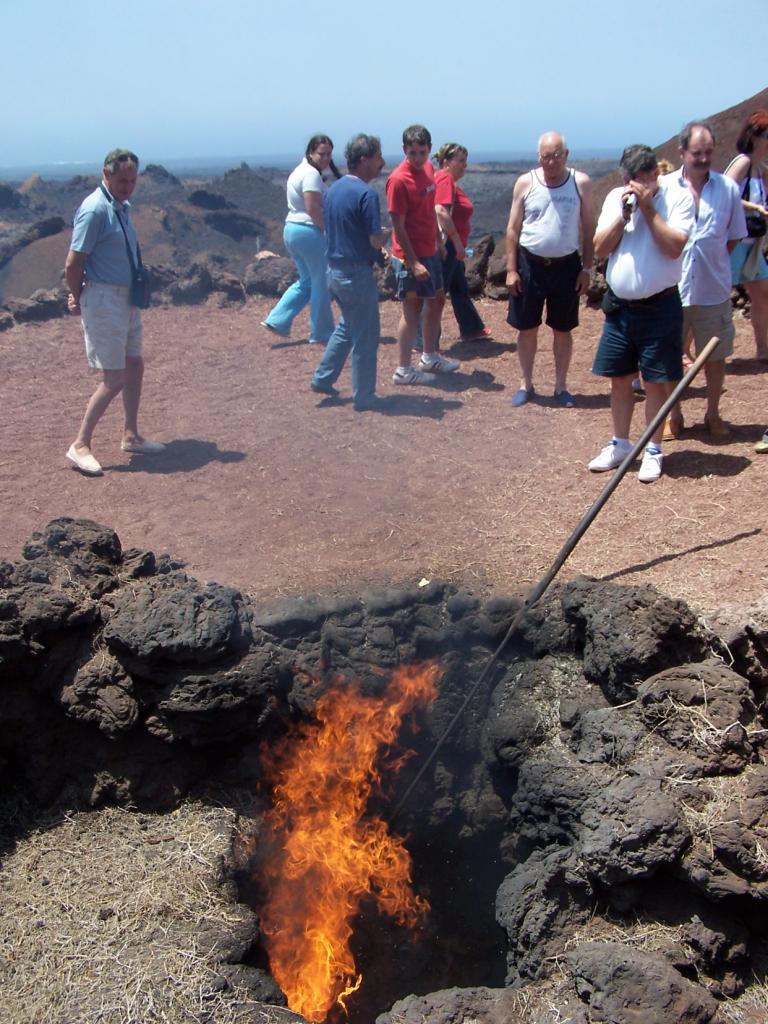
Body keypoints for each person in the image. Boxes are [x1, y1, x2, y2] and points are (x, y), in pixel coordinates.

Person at [588, 144, 695, 483]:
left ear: (655, 174)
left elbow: (674, 246)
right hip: (621, 307)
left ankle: (653, 449)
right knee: (619, 378)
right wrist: (624, 215)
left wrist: (649, 211)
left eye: (645, 177)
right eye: (632, 178)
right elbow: (600, 247)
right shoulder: (615, 200)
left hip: (659, 305)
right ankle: (620, 443)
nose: (639, 184)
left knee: (655, 381)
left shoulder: (678, 198)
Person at [64, 148, 164, 476]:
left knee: (135, 364)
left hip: (126, 298)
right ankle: (80, 444)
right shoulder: (95, 210)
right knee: (115, 376)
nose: (128, 186)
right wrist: (76, 294)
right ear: (106, 174)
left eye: (133, 180)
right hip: (104, 298)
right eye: (122, 180)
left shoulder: (120, 207)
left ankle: (131, 435)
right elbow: (74, 261)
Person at [663, 122, 746, 440]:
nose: (703, 159)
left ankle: (713, 413)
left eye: (709, 152)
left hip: (713, 288)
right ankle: (674, 415)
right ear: (682, 152)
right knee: (671, 355)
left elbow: (734, 237)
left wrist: (712, 258)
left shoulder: (727, 189)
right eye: (697, 153)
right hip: (673, 287)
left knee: (715, 356)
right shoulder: (666, 188)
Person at [505, 131, 594, 407]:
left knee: (562, 328)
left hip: (566, 265)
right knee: (527, 327)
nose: (551, 162)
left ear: (566, 155)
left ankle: (561, 386)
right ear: (538, 157)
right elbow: (512, 228)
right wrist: (511, 269)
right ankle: (526, 383)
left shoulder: (580, 183)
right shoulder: (525, 183)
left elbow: (589, 227)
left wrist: (587, 269)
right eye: (546, 157)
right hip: (530, 264)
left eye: (557, 155)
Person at [310, 134, 389, 411]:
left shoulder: (334, 189)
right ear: (365, 159)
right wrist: (388, 235)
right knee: (366, 336)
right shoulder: (366, 194)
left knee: (346, 326)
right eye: (378, 157)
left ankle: (323, 377)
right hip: (356, 274)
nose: (382, 163)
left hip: (334, 271)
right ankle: (364, 397)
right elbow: (373, 239)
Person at [386, 124, 460, 385]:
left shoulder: (429, 170)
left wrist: (439, 240)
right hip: (410, 256)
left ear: (430, 150)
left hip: (429, 249)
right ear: (404, 150)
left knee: (437, 300)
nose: (417, 158)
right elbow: (398, 225)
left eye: (422, 152)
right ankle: (403, 369)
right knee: (412, 310)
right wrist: (414, 262)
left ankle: (429, 356)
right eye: (412, 152)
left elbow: (429, 210)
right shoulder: (398, 180)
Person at [261, 135, 341, 344]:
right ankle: (322, 332)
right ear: (310, 153)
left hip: (292, 231)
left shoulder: (300, 171)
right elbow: (313, 207)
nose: (325, 158)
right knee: (321, 282)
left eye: (329, 154)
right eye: (321, 154)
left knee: (307, 280)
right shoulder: (311, 175)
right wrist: (330, 232)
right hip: (309, 232)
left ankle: (277, 319)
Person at [433, 143, 492, 342]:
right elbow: (440, 210)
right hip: (448, 245)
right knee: (437, 292)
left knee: (459, 287)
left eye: (465, 160)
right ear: (446, 162)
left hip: (453, 245)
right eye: (460, 161)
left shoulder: (448, 180)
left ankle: (472, 327)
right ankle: (424, 339)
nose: (464, 165)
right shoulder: (444, 179)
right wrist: (456, 242)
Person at [725, 110, 768, 361]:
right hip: (734, 242)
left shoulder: (761, 170)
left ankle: (763, 350)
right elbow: (725, 196)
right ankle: (686, 350)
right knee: (714, 296)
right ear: (755, 137)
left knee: (763, 293)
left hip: (752, 244)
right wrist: (754, 208)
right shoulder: (742, 163)